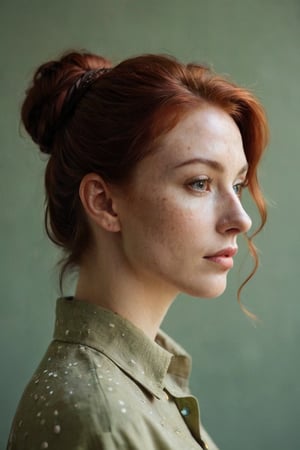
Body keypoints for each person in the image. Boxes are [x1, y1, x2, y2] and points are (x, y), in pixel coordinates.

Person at [7, 50, 268, 450]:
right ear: (104, 202)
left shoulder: (142, 387)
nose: (240, 218)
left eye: (236, 185)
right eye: (199, 182)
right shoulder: (99, 420)